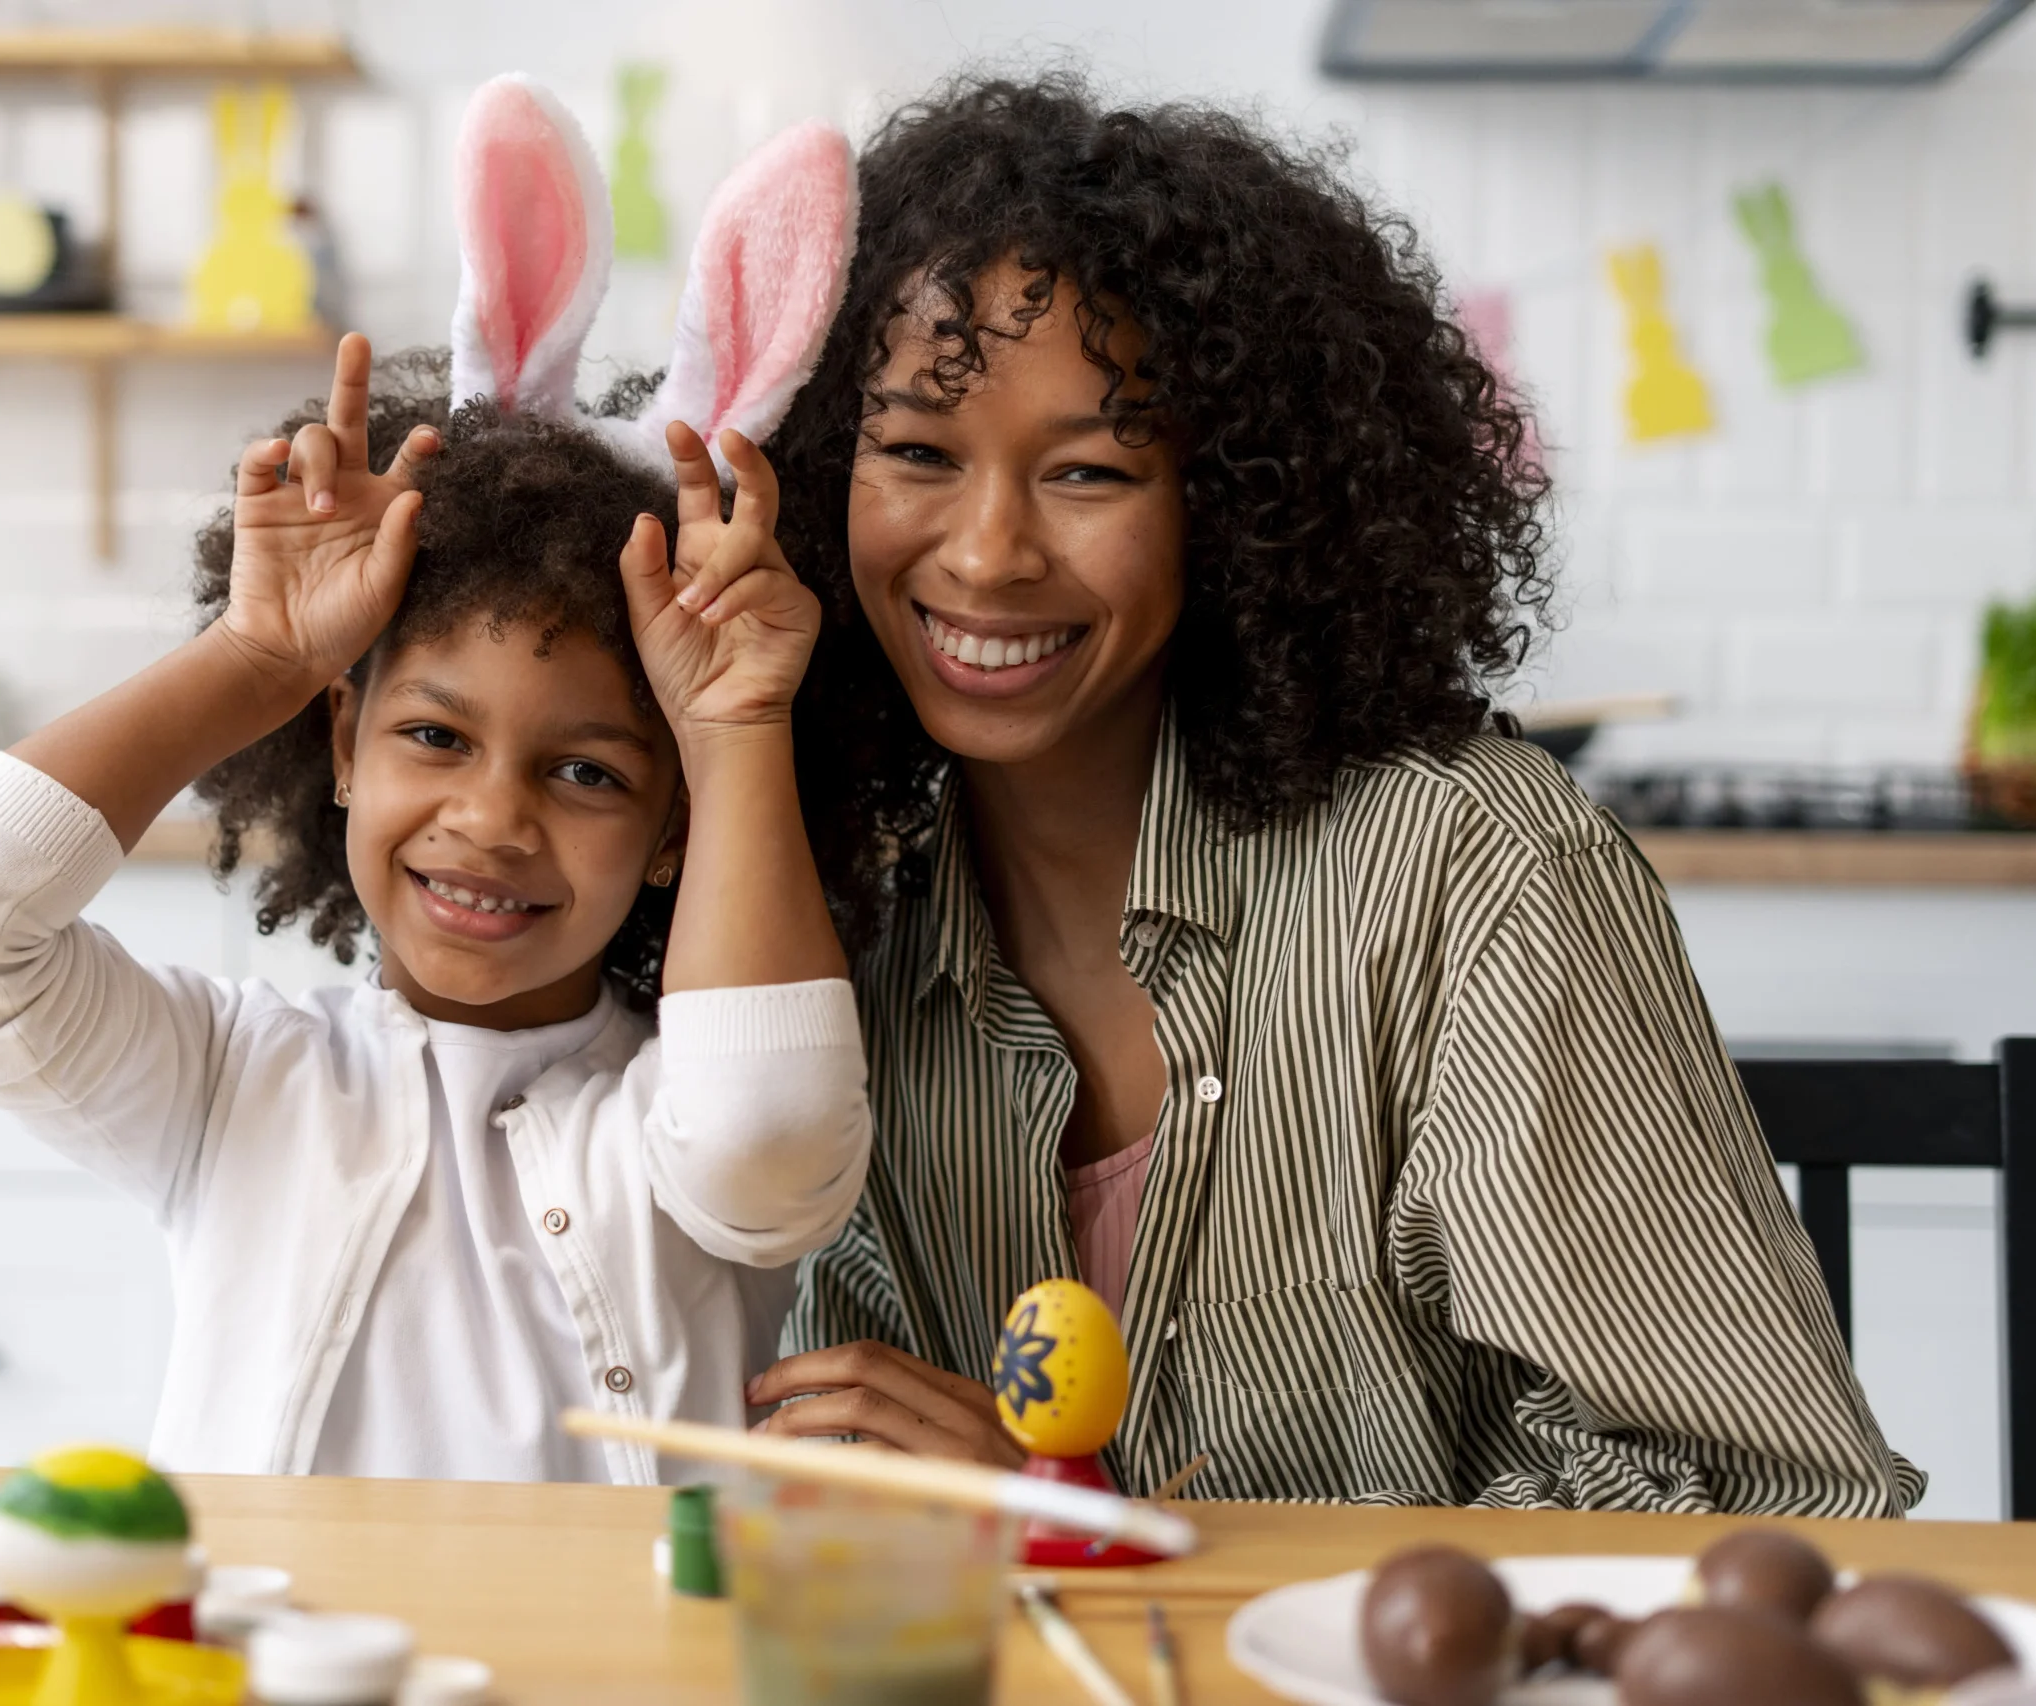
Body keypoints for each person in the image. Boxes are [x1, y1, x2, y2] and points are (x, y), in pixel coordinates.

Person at [748, 75, 1919, 1515]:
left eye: (1091, 470)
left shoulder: (1475, 875)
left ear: (1237, 506)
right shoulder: (835, 913)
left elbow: (1759, 1488)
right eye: (919, 452)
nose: (987, 555)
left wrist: (1106, 1526)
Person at [0, 331, 866, 1479]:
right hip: (260, 1662)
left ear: (678, 827)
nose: (490, 819)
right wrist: (254, 657)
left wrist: (734, 729)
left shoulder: (678, 1121)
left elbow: (765, 1129)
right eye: (434, 736)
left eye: (588, 771)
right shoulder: (230, 1079)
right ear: (343, 740)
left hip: (611, 1666)